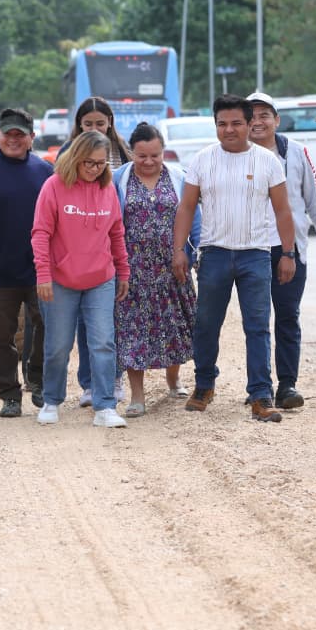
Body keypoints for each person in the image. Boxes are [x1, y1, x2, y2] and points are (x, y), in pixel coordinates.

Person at [171, 94, 297, 423]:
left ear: (249, 124)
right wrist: (179, 250)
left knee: (257, 327)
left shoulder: (268, 161)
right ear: (215, 125)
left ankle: (261, 395)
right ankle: (204, 385)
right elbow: (186, 207)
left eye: (236, 123)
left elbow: (283, 211)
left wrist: (288, 253)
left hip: (256, 254)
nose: (229, 129)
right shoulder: (202, 160)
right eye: (222, 123)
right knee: (206, 324)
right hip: (214, 254)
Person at [32, 130, 131, 427]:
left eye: (101, 163)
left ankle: (105, 406)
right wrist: (43, 274)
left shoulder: (107, 188)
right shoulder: (53, 186)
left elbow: (116, 233)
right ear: (75, 157)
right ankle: (51, 400)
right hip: (60, 280)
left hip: (101, 278)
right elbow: (41, 233)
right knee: (58, 346)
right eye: (89, 162)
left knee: (103, 343)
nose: (94, 169)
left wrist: (123, 271)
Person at [0, 108, 53, 418]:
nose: (14, 140)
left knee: (47, 325)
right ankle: (9, 394)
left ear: (32, 137)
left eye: (20, 135)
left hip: (39, 268)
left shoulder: (45, 172)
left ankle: (38, 378)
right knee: (1, 336)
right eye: (8, 134)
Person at [114, 122, 199, 416]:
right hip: (133, 271)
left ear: (163, 152)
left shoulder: (179, 177)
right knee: (132, 332)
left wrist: (192, 255)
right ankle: (137, 396)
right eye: (142, 156)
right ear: (132, 154)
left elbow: (194, 218)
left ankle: (173, 379)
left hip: (173, 267)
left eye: (155, 155)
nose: (149, 162)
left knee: (174, 327)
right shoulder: (118, 179)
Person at [58, 96, 133, 405]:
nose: (94, 129)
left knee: (112, 321)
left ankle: (114, 377)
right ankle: (89, 382)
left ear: (110, 122)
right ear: (79, 125)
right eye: (88, 124)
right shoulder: (68, 152)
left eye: (100, 123)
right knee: (84, 323)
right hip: (79, 249)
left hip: (116, 241)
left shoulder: (123, 152)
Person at [247, 91, 316, 410]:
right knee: (257, 321)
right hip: (251, 250)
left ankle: (287, 385)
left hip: (290, 250)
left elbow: (314, 203)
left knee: (288, 316)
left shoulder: (297, 153)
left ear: (276, 120)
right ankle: (259, 387)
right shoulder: (236, 155)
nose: (258, 121)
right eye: (251, 116)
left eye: (265, 115)